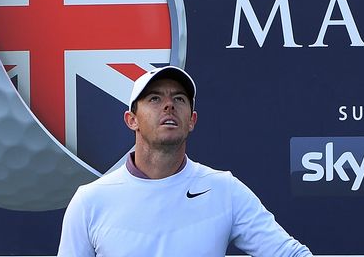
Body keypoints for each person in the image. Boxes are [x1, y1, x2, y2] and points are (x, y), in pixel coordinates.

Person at [57, 65, 313, 257]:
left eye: (179, 99)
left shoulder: (224, 190)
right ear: (131, 119)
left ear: (192, 121)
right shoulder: (90, 201)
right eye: (154, 98)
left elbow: (289, 254)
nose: (168, 105)